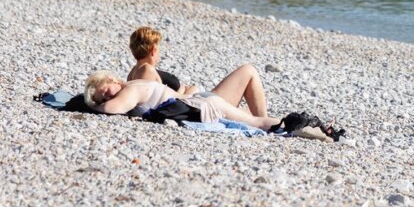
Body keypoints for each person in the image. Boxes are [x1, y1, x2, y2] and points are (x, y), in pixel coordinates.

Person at [125, 26, 267, 117]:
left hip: (200, 102)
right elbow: (165, 102)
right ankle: (265, 123)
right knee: (248, 70)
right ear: (153, 50)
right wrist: (189, 91)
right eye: (159, 47)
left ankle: (265, 121)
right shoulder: (146, 71)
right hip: (201, 104)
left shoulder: (136, 70)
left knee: (248, 111)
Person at [83, 73, 286, 132]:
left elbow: (112, 109)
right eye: (103, 98)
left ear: (112, 80)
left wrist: (92, 106)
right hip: (200, 101)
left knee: (259, 123)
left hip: (202, 104)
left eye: (106, 92)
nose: (107, 99)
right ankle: (268, 123)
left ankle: (282, 125)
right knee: (248, 71)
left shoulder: (131, 90)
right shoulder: (133, 83)